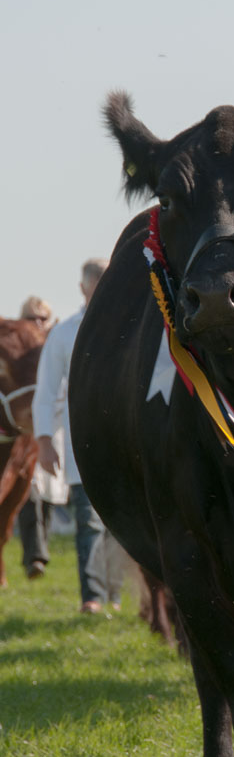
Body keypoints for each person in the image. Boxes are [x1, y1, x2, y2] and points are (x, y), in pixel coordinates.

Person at [32, 259, 123, 613]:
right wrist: (43, 442)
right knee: (88, 521)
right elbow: (46, 390)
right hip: (82, 445)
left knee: (122, 526)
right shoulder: (64, 333)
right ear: (83, 289)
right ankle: (93, 597)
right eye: (95, 285)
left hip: (128, 442)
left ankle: (114, 593)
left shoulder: (131, 325)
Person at [15, 296, 67, 579]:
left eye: (43, 318)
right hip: (26, 433)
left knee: (48, 494)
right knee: (30, 491)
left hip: (59, 429)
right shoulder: (16, 354)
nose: (38, 323)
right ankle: (35, 556)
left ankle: (40, 551)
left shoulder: (58, 346)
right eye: (31, 318)